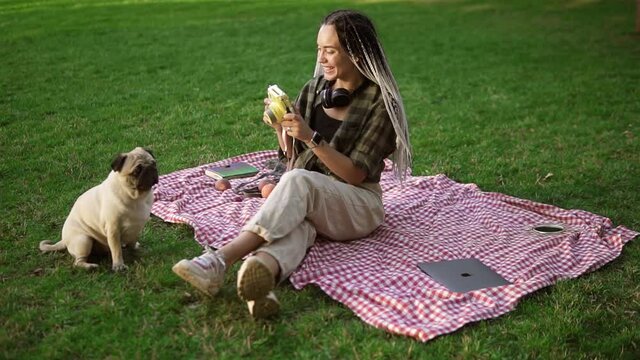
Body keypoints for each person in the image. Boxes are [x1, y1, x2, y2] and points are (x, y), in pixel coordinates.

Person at [172, 9, 412, 318]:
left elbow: (354, 174)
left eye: (330, 50)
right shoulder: (314, 90)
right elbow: (292, 156)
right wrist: (280, 129)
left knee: (298, 181)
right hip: (312, 197)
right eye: (319, 49)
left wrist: (312, 138)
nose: (322, 58)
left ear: (355, 53)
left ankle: (219, 260)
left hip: (358, 203)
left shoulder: (381, 102)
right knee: (297, 224)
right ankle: (260, 280)